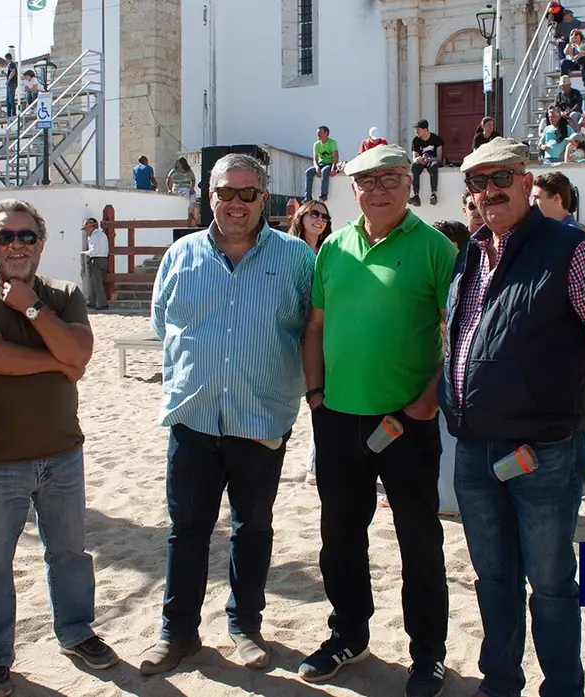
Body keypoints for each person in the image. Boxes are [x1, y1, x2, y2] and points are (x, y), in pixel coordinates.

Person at [446, 138, 585, 697]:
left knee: (550, 583)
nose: (488, 191)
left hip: (543, 452)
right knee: (493, 579)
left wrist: (565, 405)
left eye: (500, 178)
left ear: (527, 183)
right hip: (474, 447)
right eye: (477, 183)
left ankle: (562, 688)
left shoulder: (571, 248)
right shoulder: (473, 250)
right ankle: (499, 681)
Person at [143, 153, 315, 675]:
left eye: (248, 194)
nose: (236, 204)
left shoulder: (296, 258)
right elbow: (162, 325)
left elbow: (313, 330)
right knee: (187, 530)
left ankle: (244, 624)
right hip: (193, 421)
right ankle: (179, 632)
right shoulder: (180, 256)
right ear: (207, 197)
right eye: (226, 193)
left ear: (265, 198)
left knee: (252, 528)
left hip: (261, 422)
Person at [299, 144, 455, 697]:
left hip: (407, 422)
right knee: (340, 536)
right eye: (369, 181)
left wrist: (426, 402)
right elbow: (315, 328)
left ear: (410, 183)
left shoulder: (436, 248)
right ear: (354, 188)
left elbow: (457, 332)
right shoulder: (333, 247)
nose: (381, 189)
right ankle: (349, 634)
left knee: (418, 539)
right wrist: (316, 395)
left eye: (392, 178)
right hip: (338, 417)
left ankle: (428, 655)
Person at [0, 200, 115, 694]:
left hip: (63, 451)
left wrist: (29, 306)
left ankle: (76, 631)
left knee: (69, 552)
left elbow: (81, 353)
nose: (18, 245)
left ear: (42, 244)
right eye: (7, 237)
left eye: (27, 236)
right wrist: (57, 361)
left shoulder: (63, 293)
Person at [287, 198, 333, 487]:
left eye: (325, 216)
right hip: (295, 335)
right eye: (314, 213)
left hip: (322, 335)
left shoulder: (330, 252)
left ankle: (316, 463)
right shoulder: (290, 251)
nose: (319, 219)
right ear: (301, 217)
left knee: (322, 399)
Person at [410, 119, 444, 206]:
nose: (416, 132)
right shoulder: (415, 140)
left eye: (418, 129)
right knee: (414, 167)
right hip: (422, 161)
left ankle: (434, 194)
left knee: (433, 166)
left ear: (425, 130)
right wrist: (418, 159)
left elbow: (439, 158)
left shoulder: (436, 139)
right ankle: (416, 195)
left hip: (432, 160)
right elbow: (414, 157)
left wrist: (429, 159)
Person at [305, 125, 340, 202]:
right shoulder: (316, 144)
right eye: (317, 133)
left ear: (326, 133)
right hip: (321, 164)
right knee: (308, 172)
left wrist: (333, 168)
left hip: (329, 164)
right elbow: (315, 159)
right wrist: (317, 167)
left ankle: (324, 195)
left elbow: (335, 157)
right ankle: (308, 196)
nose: (318, 135)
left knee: (324, 171)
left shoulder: (332, 142)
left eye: (320, 133)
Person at [83, 217, 109, 310]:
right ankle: (93, 301)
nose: (86, 230)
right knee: (95, 282)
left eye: (87, 227)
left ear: (92, 227)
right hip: (103, 259)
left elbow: (95, 250)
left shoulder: (94, 236)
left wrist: (85, 253)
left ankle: (102, 303)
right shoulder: (102, 235)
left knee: (96, 283)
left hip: (96, 260)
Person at [165, 157, 198, 224]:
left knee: (193, 197)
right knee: (184, 195)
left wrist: (192, 188)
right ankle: (183, 213)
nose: (178, 164)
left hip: (188, 188)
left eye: (179, 163)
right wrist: (169, 189)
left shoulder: (189, 170)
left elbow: (193, 180)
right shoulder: (174, 171)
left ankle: (190, 213)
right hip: (178, 187)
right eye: (177, 163)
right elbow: (168, 180)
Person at [3, 52, 18, 118]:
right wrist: (5, 74)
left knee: (11, 99)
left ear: (7, 58)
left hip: (11, 83)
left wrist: (8, 80)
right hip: (11, 83)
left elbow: (13, 72)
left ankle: (13, 113)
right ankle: (9, 114)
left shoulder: (11, 64)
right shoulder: (10, 65)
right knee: (8, 99)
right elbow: (11, 73)